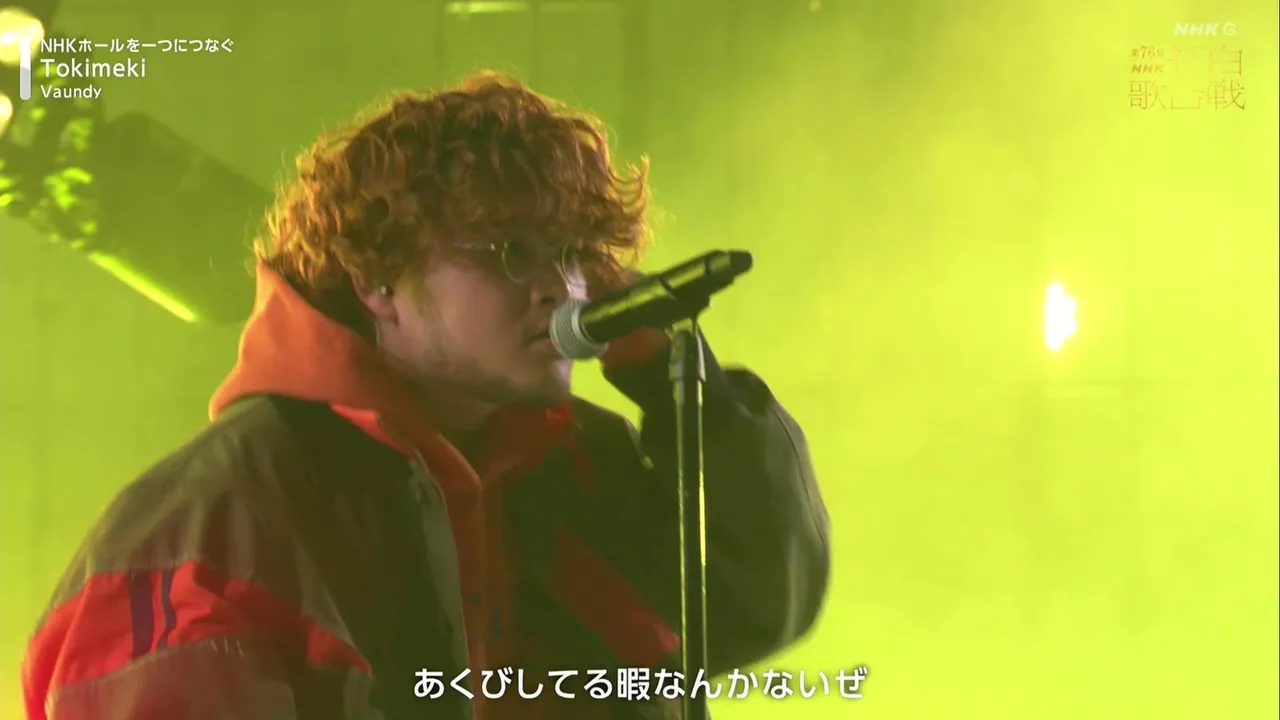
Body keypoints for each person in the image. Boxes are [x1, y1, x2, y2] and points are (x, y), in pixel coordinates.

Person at [21, 71, 830, 720]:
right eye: (511, 252)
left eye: (575, 253)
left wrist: (675, 381)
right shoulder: (206, 529)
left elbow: (758, 600)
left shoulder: (573, 459)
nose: (563, 288)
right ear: (378, 280)